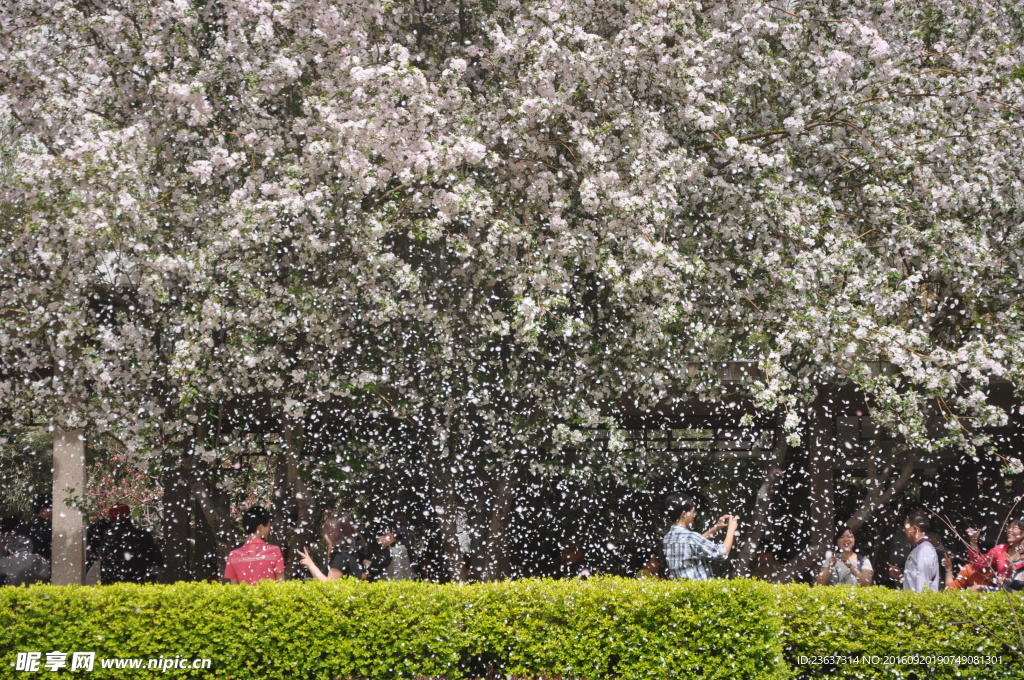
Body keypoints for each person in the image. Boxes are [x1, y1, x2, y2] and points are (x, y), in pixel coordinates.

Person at [662, 493, 738, 580]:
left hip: (681, 587)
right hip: (699, 588)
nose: (694, 515)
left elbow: (694, 544)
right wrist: (731, 529)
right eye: (693, 512)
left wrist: (716, 528)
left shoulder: (667, 537)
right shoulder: (691, 537)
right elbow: (722, 553)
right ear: (684, 514)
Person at [98, 505, 164, 584]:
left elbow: (106, 567)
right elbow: (157, 561)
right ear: (128, 516)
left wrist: (105, 584)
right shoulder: (143, 536)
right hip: (141, 582)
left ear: (112, 518)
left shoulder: (109, 538)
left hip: (117, 585)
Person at [224, 506, 285, 585]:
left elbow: (234, 589)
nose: (269, 530)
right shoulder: (274, 551)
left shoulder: (233, 555)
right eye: (268, 526)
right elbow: (281, 585)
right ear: (260, 527)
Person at [296, 513, 366, 581]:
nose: (325, 536)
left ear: (335, 533)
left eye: (327, 532)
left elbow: (329, 585)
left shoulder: (341, 557)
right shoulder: (353, 553)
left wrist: (311, 565)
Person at [965, 515, 1024, 586]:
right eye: (1009, 527)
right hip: (1001, 591)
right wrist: (973, 542)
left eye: (1014, 528)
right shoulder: (1000, 549)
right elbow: (977, 565)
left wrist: (1012, 568)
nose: (1009, 530)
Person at [901, 514, 939, 592]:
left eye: (905, 527)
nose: (904, 530)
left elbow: (923, 587)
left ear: (915, 529)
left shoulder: (924, 549)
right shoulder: (919, 548)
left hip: (919, 599)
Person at [15, 494, 52, 563]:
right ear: (43, 510)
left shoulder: (23, 527)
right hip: (42, 565)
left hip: (25, 565)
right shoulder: (47, 529)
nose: (52, 511)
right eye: (51, 508)